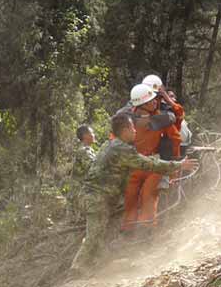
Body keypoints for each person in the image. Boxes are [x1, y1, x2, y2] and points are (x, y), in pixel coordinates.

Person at [70, 114, 197, 273]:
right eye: (132, 128)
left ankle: (98, 268)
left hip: (99, 197)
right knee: (94, 237)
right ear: (124, 131)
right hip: (96, 198)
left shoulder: (109, 145)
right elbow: (148, 164)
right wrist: (179, 165)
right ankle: (76, 270)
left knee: (100, 235)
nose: (135, 131)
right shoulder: (121, 149)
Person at [121, 83, 182, 232]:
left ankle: (146, 232)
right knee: (130, 197)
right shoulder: (126, 119)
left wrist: (173, 166)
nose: (155, 101)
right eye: (151, 100)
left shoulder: (162, 118)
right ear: (141, 104)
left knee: (148, 196)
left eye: (155, 99)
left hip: (154, 164)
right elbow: (115, 141)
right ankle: (128, 232)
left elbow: (175, 139)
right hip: (133, 164)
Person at [66, 125, 97, 223]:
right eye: (92, 133)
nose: (94, 135)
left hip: (81, 196)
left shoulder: (88, 150)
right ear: (85, 136)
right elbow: (94, 169)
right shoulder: (84, 151)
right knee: (79, 229)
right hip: (79, 197)